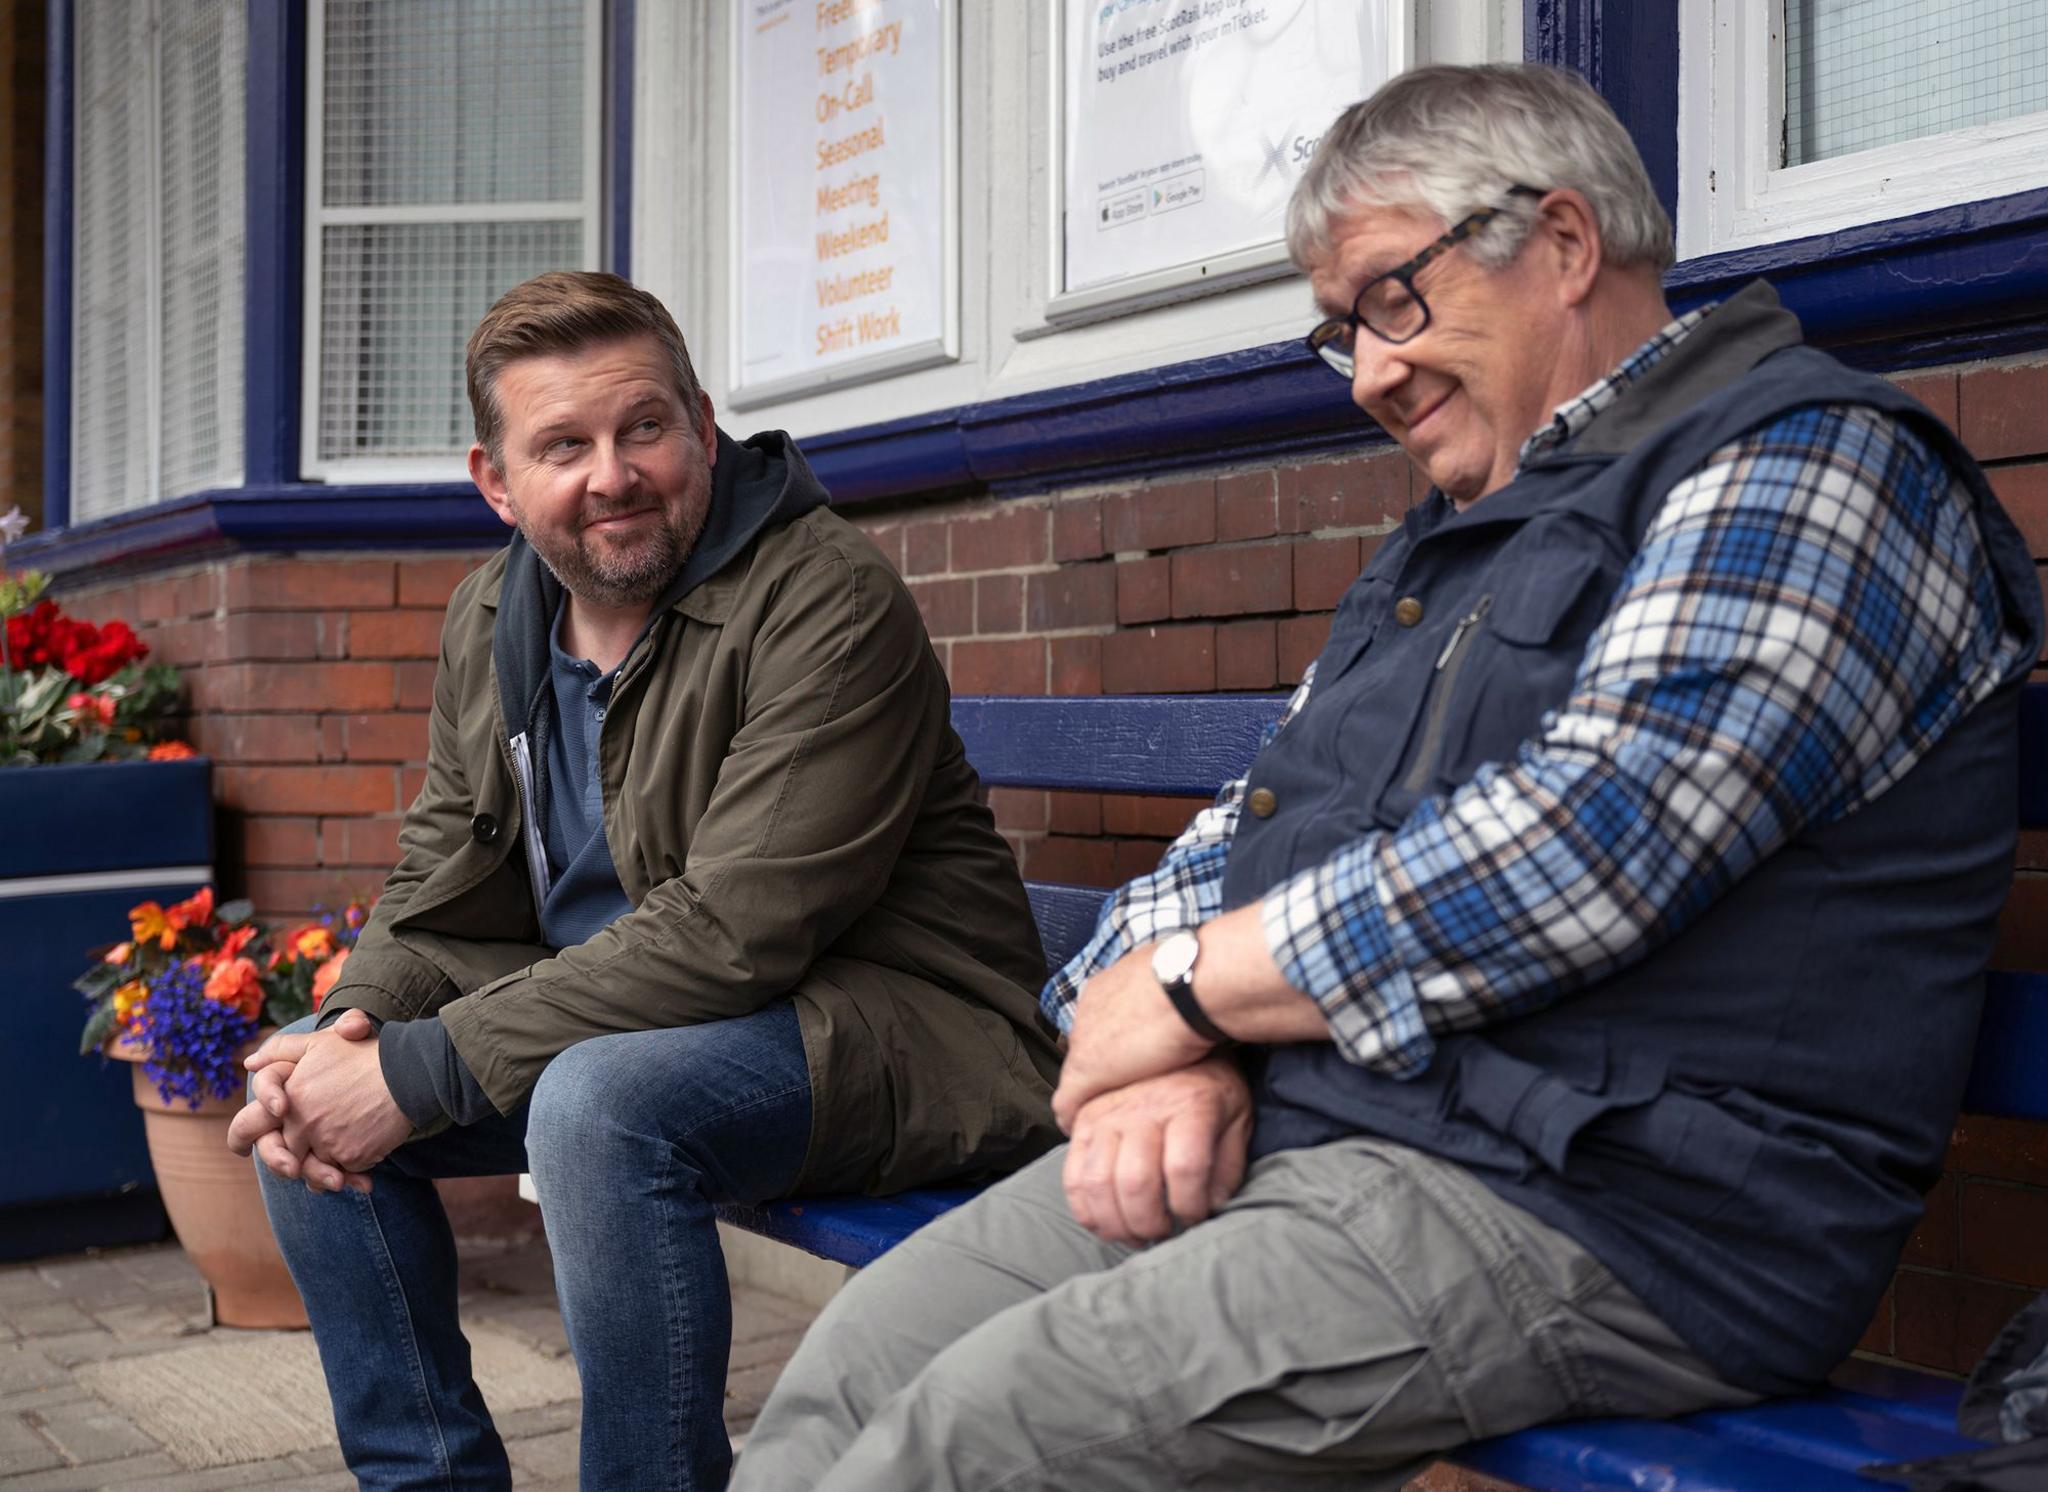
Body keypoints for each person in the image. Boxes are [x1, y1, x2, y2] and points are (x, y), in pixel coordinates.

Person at [730, 62, 2047, 1492]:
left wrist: (1187, 997)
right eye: (1341, 331)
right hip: (1333, 1132)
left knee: (962, 1445)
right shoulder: (1443, 550)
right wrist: (1181, 1049)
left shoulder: (1805, 469)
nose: (1367, 372)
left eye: (1391, 300)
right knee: (850, 1373)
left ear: (1560, 241)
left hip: (1609, 1213)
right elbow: (1232, 839)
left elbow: (1587, 845)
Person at [226, 270, 1061, 1491]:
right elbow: (446, 861)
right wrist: (357, 1028)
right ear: (495, 483)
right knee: (302, 1080)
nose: (612, 473)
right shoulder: (493, 614)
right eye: (563, 445)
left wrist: (422, 1068)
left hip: (889, 1026)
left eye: (644, 429)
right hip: (630, 1023)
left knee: (597, 1109)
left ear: (702, 429)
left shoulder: (820, 598)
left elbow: (737, 929)